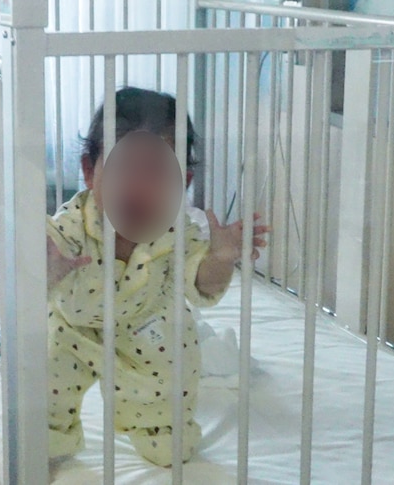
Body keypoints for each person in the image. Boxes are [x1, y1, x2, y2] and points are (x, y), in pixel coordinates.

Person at [46, 86, 269, 467]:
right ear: (88, 172)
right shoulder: (72, 224)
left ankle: (159, 430)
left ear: (183, 182)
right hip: (72, 328)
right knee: (43, 393)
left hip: (147, 333)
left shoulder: (179, 233)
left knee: (171, 421)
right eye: (123, 170)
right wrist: (46, 270)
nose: (138, 187)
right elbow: (36, 266)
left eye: (157, 173)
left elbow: (203, 286)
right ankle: (49, 434)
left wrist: (220, 258)